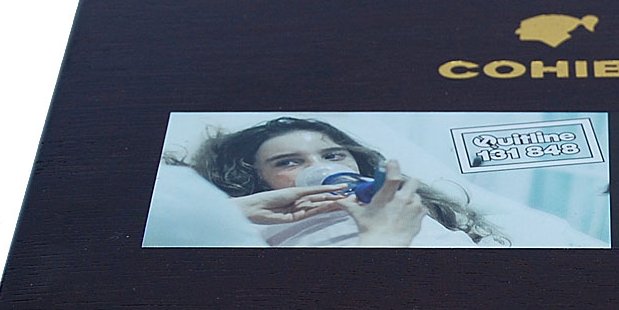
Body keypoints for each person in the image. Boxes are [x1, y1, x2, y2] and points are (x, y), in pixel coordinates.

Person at [166, 117, 505, 246]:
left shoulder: (411, 207)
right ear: (256, 179)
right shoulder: (249, 229)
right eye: (288, 162)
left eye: (333, 155)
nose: (320, 167)